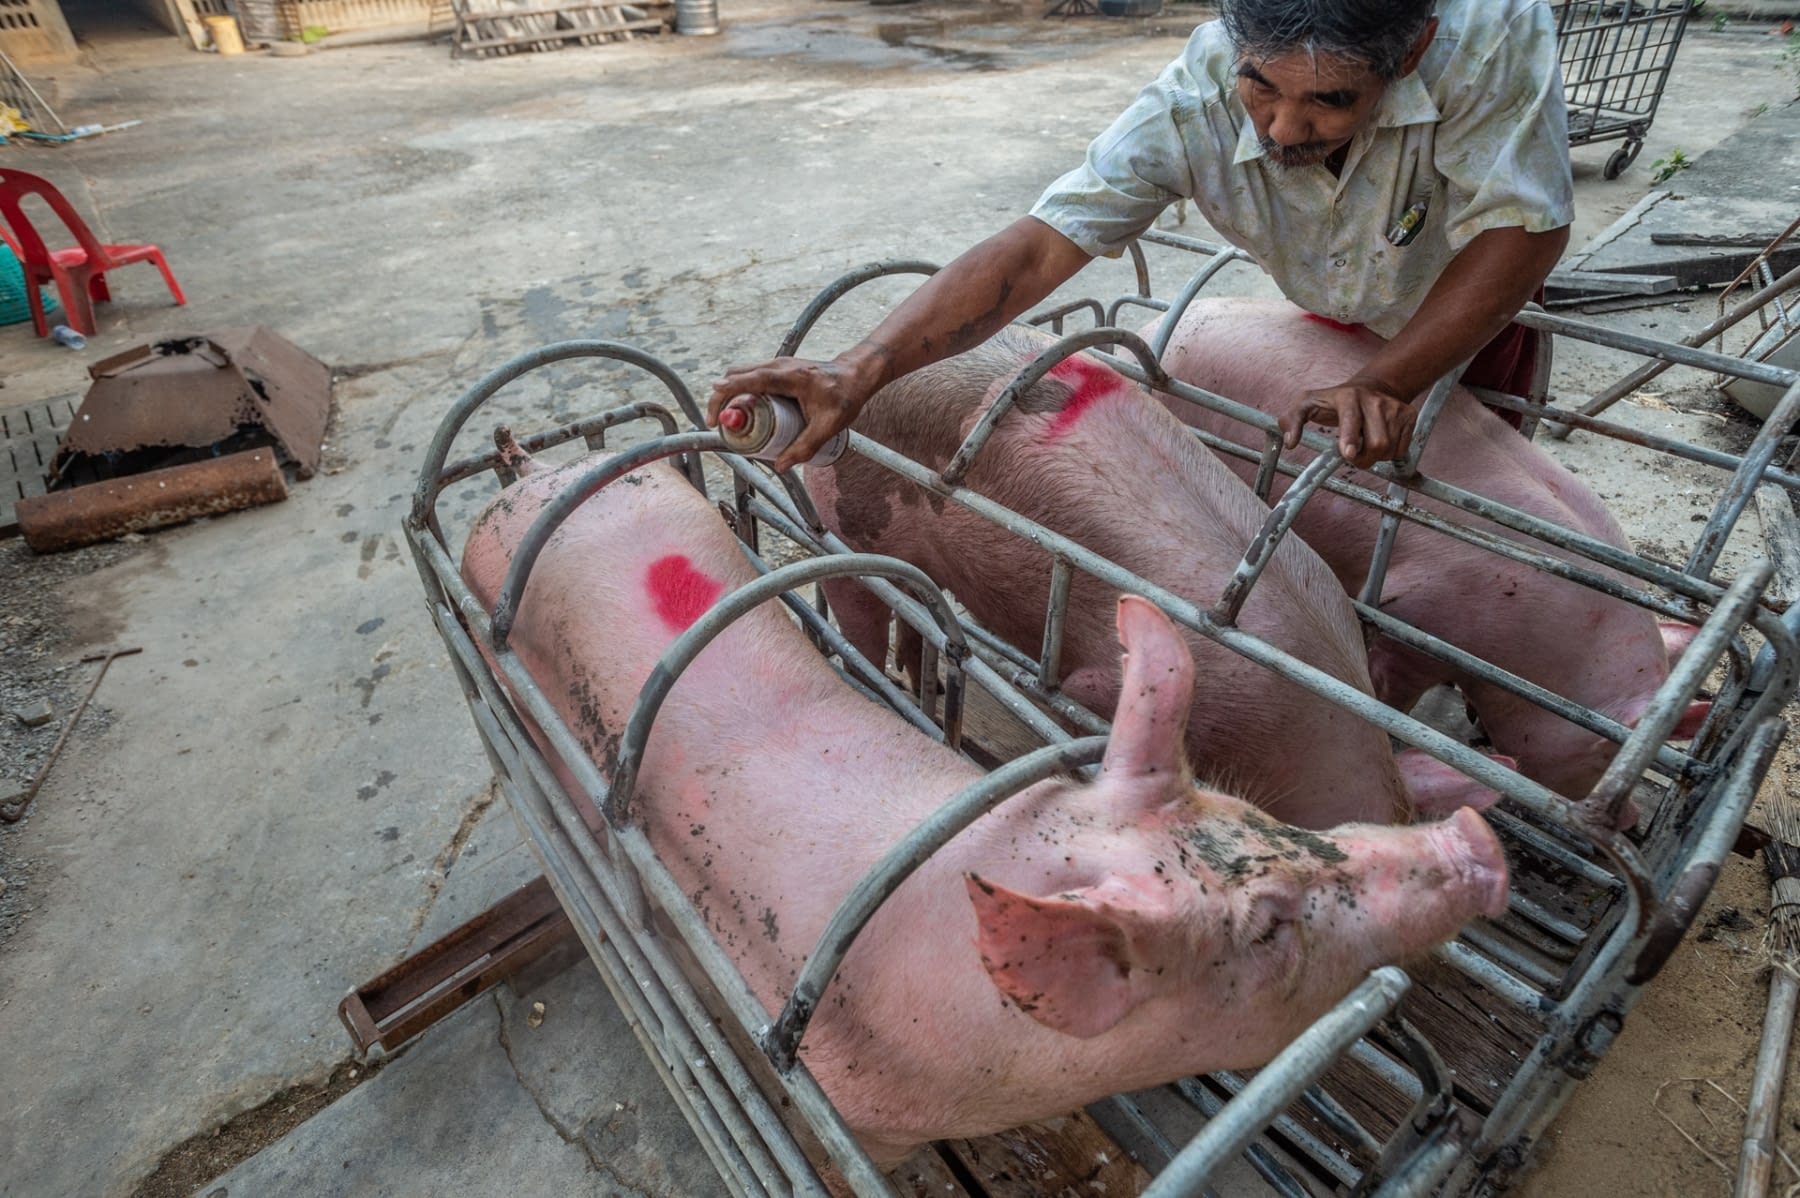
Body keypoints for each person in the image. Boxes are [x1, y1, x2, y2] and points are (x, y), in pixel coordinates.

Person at [709, 0, 1574, 472]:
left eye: (1331, 101)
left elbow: (1522, 229)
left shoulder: (1490, 36)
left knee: (1480, 494)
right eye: (1261, 88)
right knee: (1347, 498)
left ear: (1415, 48)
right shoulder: (1194, 90)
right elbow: (1048, 241)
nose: (1281, 129)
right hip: (1331, 312)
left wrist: (1391, 378)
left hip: (1464, 304)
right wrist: (862, 364)